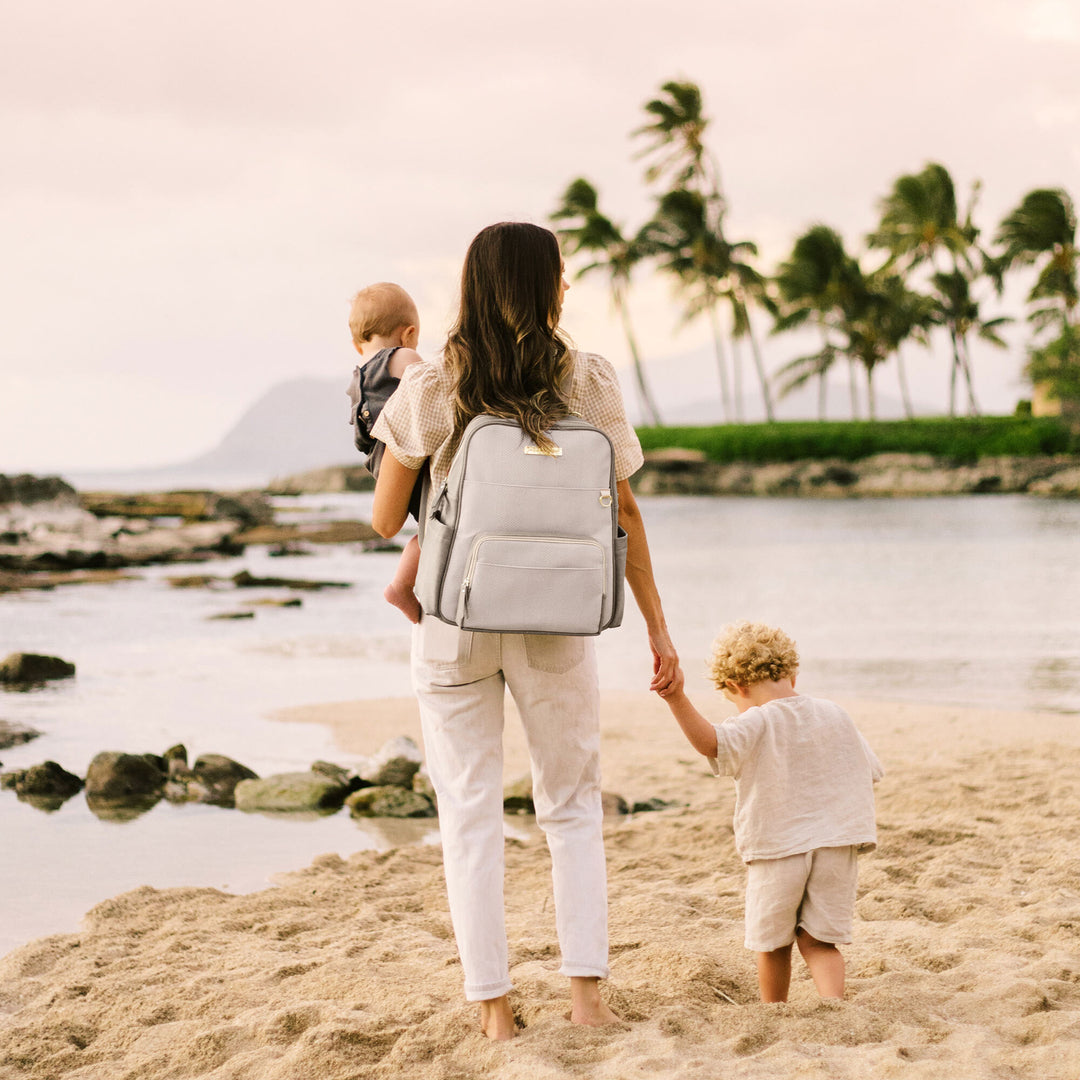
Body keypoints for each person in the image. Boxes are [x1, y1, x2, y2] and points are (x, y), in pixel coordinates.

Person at [369, 222, 678, 1039]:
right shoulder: (591, 381)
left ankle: (497, 1017)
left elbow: (379, 520)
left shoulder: (433, 387)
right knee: (571, 808)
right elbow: (628, 512)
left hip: (454, 624)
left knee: (467, 813)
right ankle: (586, 1005)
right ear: (543, 288)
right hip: (557, 621)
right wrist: (658, 630)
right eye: (562, 276)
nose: (570, 286)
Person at [657, 621, 883, 1004]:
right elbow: (870, 771)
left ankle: (774, 1010)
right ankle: (834, 1005)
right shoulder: (834, 713)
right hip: (838, 844)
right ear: (793, 674)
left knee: (773, 943)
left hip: (778, 846)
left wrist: (676, 698)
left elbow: (712, 743)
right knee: (819, 941)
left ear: (735, 687)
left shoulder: (756, 720)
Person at [345, 282, 424, 623]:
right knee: (440, 528)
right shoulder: (402, 358)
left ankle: (402, 586)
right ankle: (402, 585)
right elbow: (432, 390)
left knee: (429, 529)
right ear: (408, 334)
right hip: (406, 453)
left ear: (356, 342)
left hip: (380, 462)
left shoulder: (357, 377)